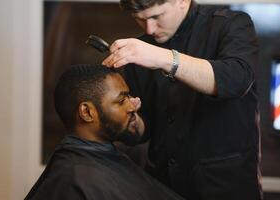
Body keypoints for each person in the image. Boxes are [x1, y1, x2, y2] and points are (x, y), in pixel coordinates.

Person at [102, 0, 262, 199]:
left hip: (226, 186)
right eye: (140, 20)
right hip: (163, 186)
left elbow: (236, 80)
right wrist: (132, 119)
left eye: (156, 16)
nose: (150, 29)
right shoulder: (143, 50)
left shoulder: (231, 24)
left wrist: (164, 58)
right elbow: (145, 130)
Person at [25, 64, 185, 200]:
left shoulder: (97, 160)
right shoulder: (74, 180)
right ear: (87, 112)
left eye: (129, 96)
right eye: (122, 100)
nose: (132, 106)